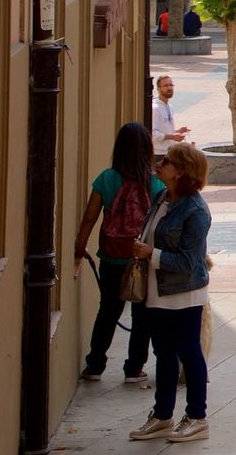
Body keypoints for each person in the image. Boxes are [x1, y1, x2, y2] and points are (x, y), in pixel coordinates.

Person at [127, 142, 213, 444]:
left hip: (183, 293)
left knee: (188, 352)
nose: (159, 164)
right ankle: (163, 415)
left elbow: (189, 262)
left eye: (167, 161)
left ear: (181, 171)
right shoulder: (162, 196)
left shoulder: (196, 210)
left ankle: (197, 416)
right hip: (157, 292)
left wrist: (150, 253)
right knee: (163, 352)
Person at [74, 122, 163, 386]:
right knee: (142, 315)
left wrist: (80, 248)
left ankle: (95, 365)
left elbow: (90, 218)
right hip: (140, 260)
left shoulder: (106, 179)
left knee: (108, 311)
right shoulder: (155, 185)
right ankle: (134, 368)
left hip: (111, 256)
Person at [150, 75, 189, 150]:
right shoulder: (154, 108)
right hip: (158, 153)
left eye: (171, 85)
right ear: (158, 88)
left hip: (170, 150)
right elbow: (154, 134)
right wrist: (173, 137)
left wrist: (178, 131)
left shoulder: (169, 107)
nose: (169, 88)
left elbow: (164, 130)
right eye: (165, 86)